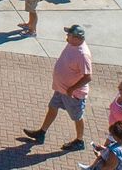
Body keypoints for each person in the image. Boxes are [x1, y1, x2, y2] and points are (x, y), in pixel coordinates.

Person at [24, 24, 92, 153]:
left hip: (73, 94)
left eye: (69, 35)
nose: (66, 36)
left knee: (77, 117)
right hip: (61, 89)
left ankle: (79, 141)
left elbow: (88, 77)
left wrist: (72, 88)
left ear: (77, 38)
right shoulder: (72, 44)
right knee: (52, 107)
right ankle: (41, 133)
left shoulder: (83, 55)